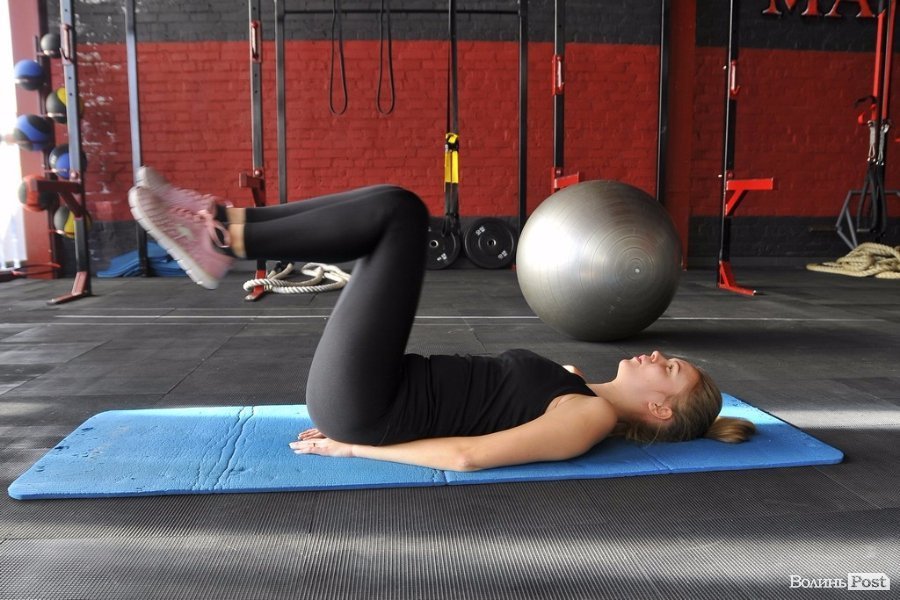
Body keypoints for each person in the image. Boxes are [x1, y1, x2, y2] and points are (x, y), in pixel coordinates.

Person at [129, 168, 756, 472]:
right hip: (374, 392)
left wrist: (354, 446)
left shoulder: (589, 418)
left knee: (401, 216)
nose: (657, 355)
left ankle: (222, 237)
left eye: (669, 370)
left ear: (660, 410)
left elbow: (467, 456)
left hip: (370, 406)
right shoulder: (576, 387)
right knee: (394, 205)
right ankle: (224, 225)